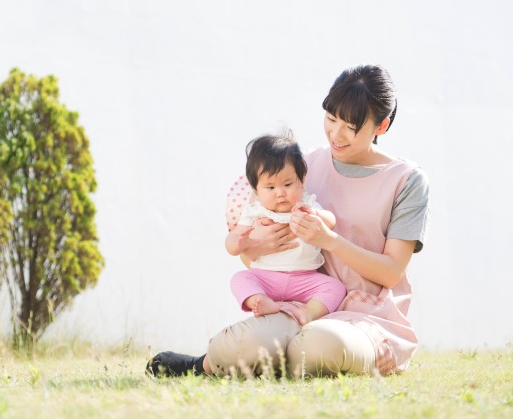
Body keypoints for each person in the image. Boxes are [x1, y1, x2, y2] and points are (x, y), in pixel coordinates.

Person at [147, 64, 430, 378]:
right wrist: (254, 246)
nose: (336, 134)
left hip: (367, 317)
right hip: (298, 305)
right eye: (331, 119)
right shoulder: (302, 164)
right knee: (246, 343)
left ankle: (274, 361)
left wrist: (329, 240)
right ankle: (207, 365)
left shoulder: (407, 181)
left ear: (382, 126)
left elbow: (391, 272)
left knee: (321, 344)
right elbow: (250, 249)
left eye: (351, 126)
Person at [226, 134, 346, 325]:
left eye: (288, 184)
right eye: (270, 187)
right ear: (256, 189)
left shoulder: (306, 202)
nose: (280, 193)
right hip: (265, 277)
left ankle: (309, 312)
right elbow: (232, 243)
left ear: (301, 179)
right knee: (240, 279)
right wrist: (239, 243)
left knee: (335, 287)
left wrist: (314, 214)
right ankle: (261, 301)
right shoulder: (255, 209)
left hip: (305, 277)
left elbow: (330, 221)